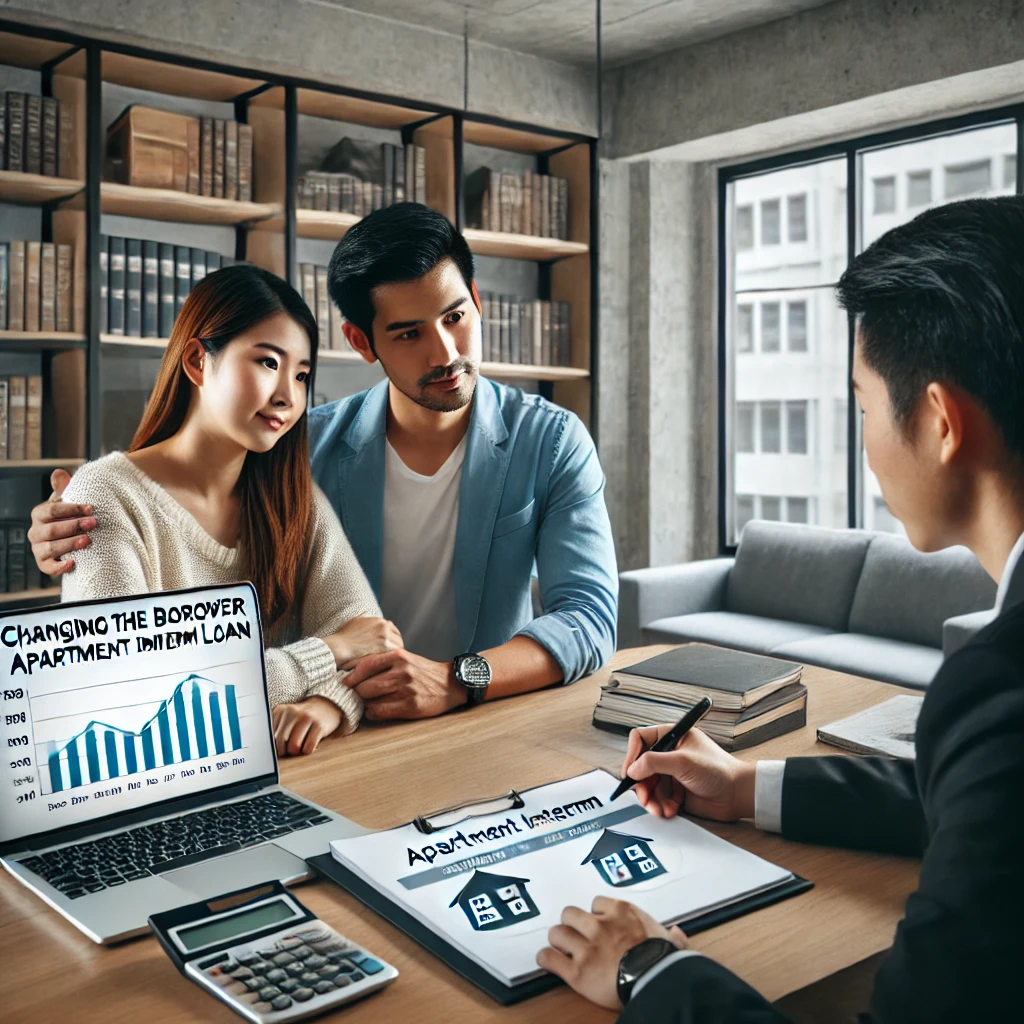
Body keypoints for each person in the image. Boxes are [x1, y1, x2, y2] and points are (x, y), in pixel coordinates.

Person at [537, 196, 1024, 1021]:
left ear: (942, 422)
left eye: (863, 405)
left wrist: (651, 971)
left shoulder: (1000, 688)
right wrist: (743, 788)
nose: (866, 440)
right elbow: (982, 807)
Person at [30, 204, 618, 720]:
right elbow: (171, 501)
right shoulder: (296, 450)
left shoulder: (553, 441)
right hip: (324, 734)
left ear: (477, 303)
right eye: (409, 334)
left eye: (455, 317)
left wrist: (457, 680)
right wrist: (71, 522)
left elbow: (589, 619)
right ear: (362, 342)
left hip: (477, 717)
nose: (445, 353)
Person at [51, 265, 401, 757]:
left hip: (291, 772)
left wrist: (327, 706)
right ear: (197, 361)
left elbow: (376, 645)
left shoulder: (295, 500)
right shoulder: (107, 496)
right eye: (267, 363)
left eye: (301, 375)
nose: (288, 396)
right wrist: (330, 651)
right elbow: (133, 695)